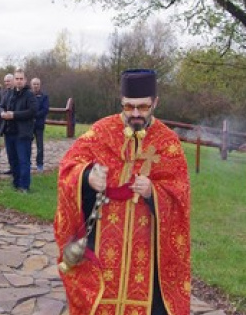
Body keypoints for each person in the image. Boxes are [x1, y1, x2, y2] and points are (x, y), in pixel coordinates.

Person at [54, 69, 191, 315]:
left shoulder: (168, 142)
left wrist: (153, 191)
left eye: (143, 107)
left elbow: (180, 195)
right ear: (121, 102)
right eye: (129, 107)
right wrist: (87, 176)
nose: (136, 114)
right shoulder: (101, 131)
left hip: (148, 253)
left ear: (155, 103)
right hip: (102, 245)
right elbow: (68, 167)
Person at [0, 69, 37, 192]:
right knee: (12, 160)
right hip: (9, 132)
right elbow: (1, 106)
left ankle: (24, 186)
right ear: (14, 80)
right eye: (17, 79)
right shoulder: (9, 93)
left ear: (25, 80)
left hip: (23, 133)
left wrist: (14, 115)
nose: (19, 81)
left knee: (23, 161)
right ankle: (16, 183)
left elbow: (32, 111)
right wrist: (2, 113)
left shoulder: (29, 95)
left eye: (21, 79)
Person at [30, 77, 50, 172]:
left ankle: (40, 164)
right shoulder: (28, 95)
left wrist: (35, 115)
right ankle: (27, 163)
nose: (36, 86)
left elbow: (45, 109)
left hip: (39, 124)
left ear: (40, 85)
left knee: (40, 146)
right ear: (31, 85)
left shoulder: (44, 96)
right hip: (29, 125)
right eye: (34, 84)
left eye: (37, 84)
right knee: (27, 145)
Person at [0, 73, 15, 175]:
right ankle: (11, 166)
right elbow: (1, 105)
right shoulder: (5, 93)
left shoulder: (16, 92)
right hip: (6, 125)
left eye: (8, 81)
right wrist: (2, 112)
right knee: (9, 149)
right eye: (5, 81)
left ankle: (15, 168)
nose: (6, 83)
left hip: (15, 124)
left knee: (15, 149)